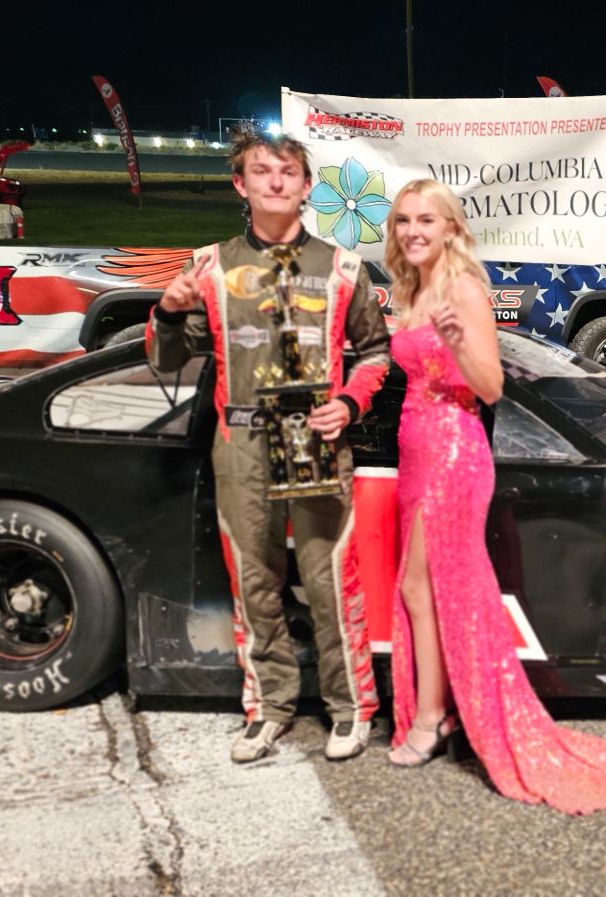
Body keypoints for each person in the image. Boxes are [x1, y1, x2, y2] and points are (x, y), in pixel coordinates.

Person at [383, 178, 606, 815]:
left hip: (453, 451)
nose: (413, 230)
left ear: (450, 228)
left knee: (440, 589)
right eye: (404, 221)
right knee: (417, 588)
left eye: (426, 220)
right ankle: (435, 712)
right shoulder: (411, 289)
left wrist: (460, 337)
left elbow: (491, 387)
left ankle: (432, 719)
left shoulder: (465, 289)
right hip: (414, 449)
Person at [146, 128, 391, 763]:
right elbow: (165, 358)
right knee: (254, 580)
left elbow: (376, 352)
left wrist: (351, 401)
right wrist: (168, 313)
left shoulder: (343, 266)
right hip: (242, 444)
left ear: (308, 187)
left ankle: (350, 708)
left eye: (289, 172)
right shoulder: (209, 264)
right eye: (263, 172)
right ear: (241, 184)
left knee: (330, 579)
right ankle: (269, 707)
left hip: (314, 440)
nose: (277, 182)